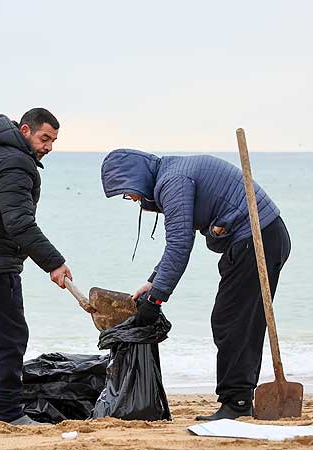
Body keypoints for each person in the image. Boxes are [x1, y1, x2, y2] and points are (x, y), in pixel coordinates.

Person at [101, 149, 291, 421]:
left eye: (127, 190)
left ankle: (236, 403)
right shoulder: (172, 174)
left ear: (137, 176)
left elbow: (179, 244)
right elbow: (181, 237)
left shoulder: (172, 181)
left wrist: (156, 300)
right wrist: (153, 282)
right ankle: (239, 399)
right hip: (261, 236)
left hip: (257, 241)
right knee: (240, 322)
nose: (129, 197)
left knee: (233, 322)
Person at [0, 108, 73, 426]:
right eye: (44, 138)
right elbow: (19, 223)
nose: (48, 147)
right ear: (25, 130)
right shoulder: (17, 163)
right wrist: (54, 262)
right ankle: (10, 413)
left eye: (53, 141)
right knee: (11, 338)